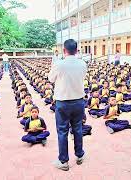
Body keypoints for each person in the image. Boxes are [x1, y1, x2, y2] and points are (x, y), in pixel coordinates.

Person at [48, 39, 87, 171]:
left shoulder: (59, 64)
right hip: (78, 102)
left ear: (64, 50)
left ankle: (63, 161)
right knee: (78, 129)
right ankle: (80, 155)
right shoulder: (83, 64)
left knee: (62, 131)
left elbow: (50, 79)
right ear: (76, 50)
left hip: (63, 103)